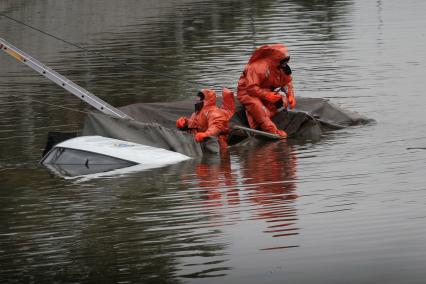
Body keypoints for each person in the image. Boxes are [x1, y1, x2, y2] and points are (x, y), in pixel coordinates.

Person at [237, 44, 296, 138]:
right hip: (247, 92)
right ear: (277, 59)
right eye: (284, 61)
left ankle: (259, 118)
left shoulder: (281, 67)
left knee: (283, 101)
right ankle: (272, 130)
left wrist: (290, 95)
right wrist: (267, 95)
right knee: (258, 107)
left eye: (286, 61)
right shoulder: (258, 67)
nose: (285, 63)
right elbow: (250, 88)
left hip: (266, 91)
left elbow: (287, 82)